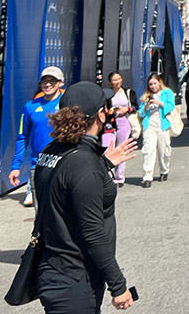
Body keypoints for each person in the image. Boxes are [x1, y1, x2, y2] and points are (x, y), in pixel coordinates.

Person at [32, 81, 137, 312]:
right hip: (75, 279)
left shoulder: (51, 151)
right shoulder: (83, 164)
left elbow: (64, 191)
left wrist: (104, 164)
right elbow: (92, 231)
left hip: (57, 271)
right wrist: (118, 286)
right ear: (100, 115)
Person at [9, 66, 65, 206]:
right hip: (39, 165)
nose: (47, 84)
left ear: (61, 82)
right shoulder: (30, 106)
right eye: (44, 81)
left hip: (63, 163)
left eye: (52, 81)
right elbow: (22, 137)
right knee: (41, 212)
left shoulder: (67, 103)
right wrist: (16, 166)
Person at [137, 73, 174, 188]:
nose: (153, 86)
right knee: (148, 149)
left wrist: (160, 103)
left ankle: (164, 169)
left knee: (164, 149)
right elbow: (141, 113)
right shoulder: (146, 96)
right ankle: (147, 176)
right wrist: (147, 105)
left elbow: (171, 106)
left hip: (162, 122)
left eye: (154, 83)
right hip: (150, 124)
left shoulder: (167, 93)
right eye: (150, 84)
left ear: (159, 82)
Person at [101, 72, 137, 187]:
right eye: (115, 80)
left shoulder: (128, 92)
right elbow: (100, 110)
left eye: (119, 79)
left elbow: (136, 107)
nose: (118, 82)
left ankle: (119, 178)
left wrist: (127, 109)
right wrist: (109, 111)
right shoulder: (105, 94)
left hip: (124, 124)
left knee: (122, 149)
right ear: (109, 83)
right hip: (109, 125)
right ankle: (107, 176)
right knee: (107, 149)